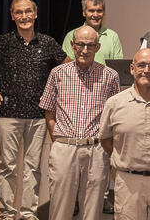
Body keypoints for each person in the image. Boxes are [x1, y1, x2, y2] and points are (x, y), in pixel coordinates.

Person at [0, 0, 67, 220]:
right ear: (12, 16)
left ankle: (28, 214)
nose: (24, 16)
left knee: (33, 167)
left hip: (38, 115)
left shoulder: (47, 43)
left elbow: (67, 67)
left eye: (28, 11)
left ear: (35, 14)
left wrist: (55, 95)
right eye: (19, 12)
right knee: (8, 167)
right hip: (8, 114)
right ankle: (7, 214)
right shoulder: (3, 42)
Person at [39, 25, 121, 220]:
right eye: (81, 45)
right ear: (72, 45)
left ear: (98, 47)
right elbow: (49, 112)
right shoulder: (57, 73)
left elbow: (115, 118)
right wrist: (59, 140)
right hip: (64, 148)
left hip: (96, 150)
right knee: (60, 209)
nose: (85, 50)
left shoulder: (110, 76)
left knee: (92, 211)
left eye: (90, 45)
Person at [99, 48, 150, 220]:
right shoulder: (115, 103)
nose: (146, 70)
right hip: (128, 181)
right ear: (132, 69)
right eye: (141, 65)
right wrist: (125, 158)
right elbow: (106, 139)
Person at [63, 0, 124, 64]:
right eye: (91, 11)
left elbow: (118, 66)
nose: (95, 15)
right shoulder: (72, 35)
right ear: (84, 13)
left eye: (99, 11)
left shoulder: (112, 36)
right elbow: (67, 65)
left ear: (104, 13)